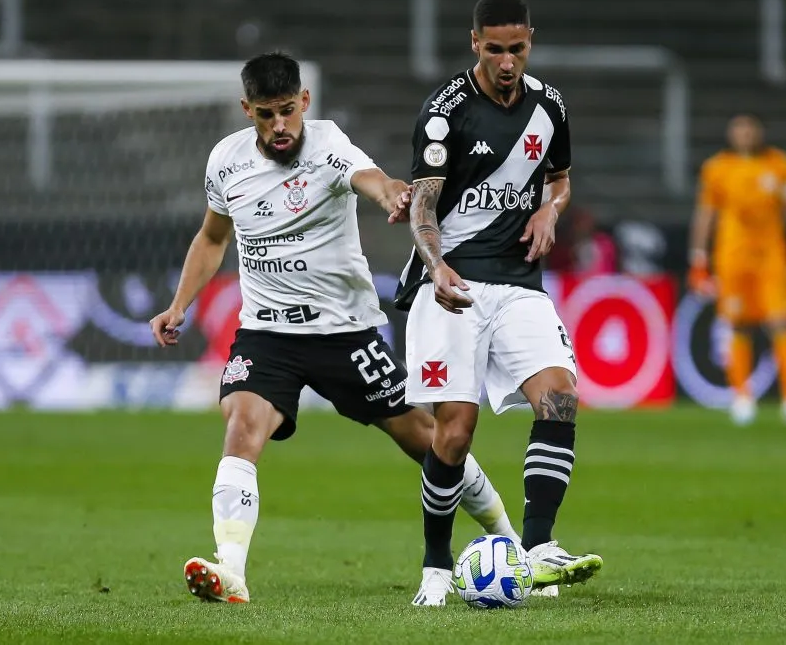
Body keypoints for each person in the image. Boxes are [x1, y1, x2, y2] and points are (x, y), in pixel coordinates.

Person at [149, 52, 520, 604]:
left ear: (304, 102)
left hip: (345, 333)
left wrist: (393, 191)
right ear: (247, 110)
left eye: (287, 112)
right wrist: (179, 305)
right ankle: (231, 571)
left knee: (427, 441)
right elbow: (212, 238)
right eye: (266, 115)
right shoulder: (225, 162)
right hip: (267, 334)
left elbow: (367, 177)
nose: (279, 127)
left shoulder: (326, 144)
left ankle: (510, 542)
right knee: (241, 428)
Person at [394, 0, 603, 607]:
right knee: (454, 434)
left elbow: (560, 180)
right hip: (453, 286)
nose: (507, 62)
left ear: (530, 40)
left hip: (517, 284)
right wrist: (435, 264)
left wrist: (549, 209)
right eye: (495, 50)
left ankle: (538, 551)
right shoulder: (444, 114)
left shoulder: (551, 105)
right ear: (474, 44)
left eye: (517, 49)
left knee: (560, 397)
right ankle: (435, 564)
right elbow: (424, 205)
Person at [688, 113, 786, 425]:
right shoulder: (717, 168)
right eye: (739, 129)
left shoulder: (780, 165)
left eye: (750, 128)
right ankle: (742, 397)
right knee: (738, 324)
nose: (745, 134)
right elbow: (706, 214)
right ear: (731, 134)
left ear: (760, 132)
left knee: (781, 321)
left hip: (771, 257)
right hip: (732, 258)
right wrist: (698, 259)